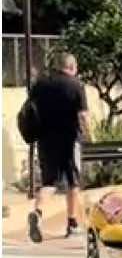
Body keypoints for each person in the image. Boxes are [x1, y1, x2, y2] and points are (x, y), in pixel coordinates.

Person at [26, 51, 91, 243]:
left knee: (49, 183)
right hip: (70, 140)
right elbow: (84, 116)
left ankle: (37, 212)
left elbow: (30, 109)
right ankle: (72, 223)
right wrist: (90, 136)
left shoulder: (40, 85)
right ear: (71, 67)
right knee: (73, 182)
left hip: (45, 140)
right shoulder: (76, 85)